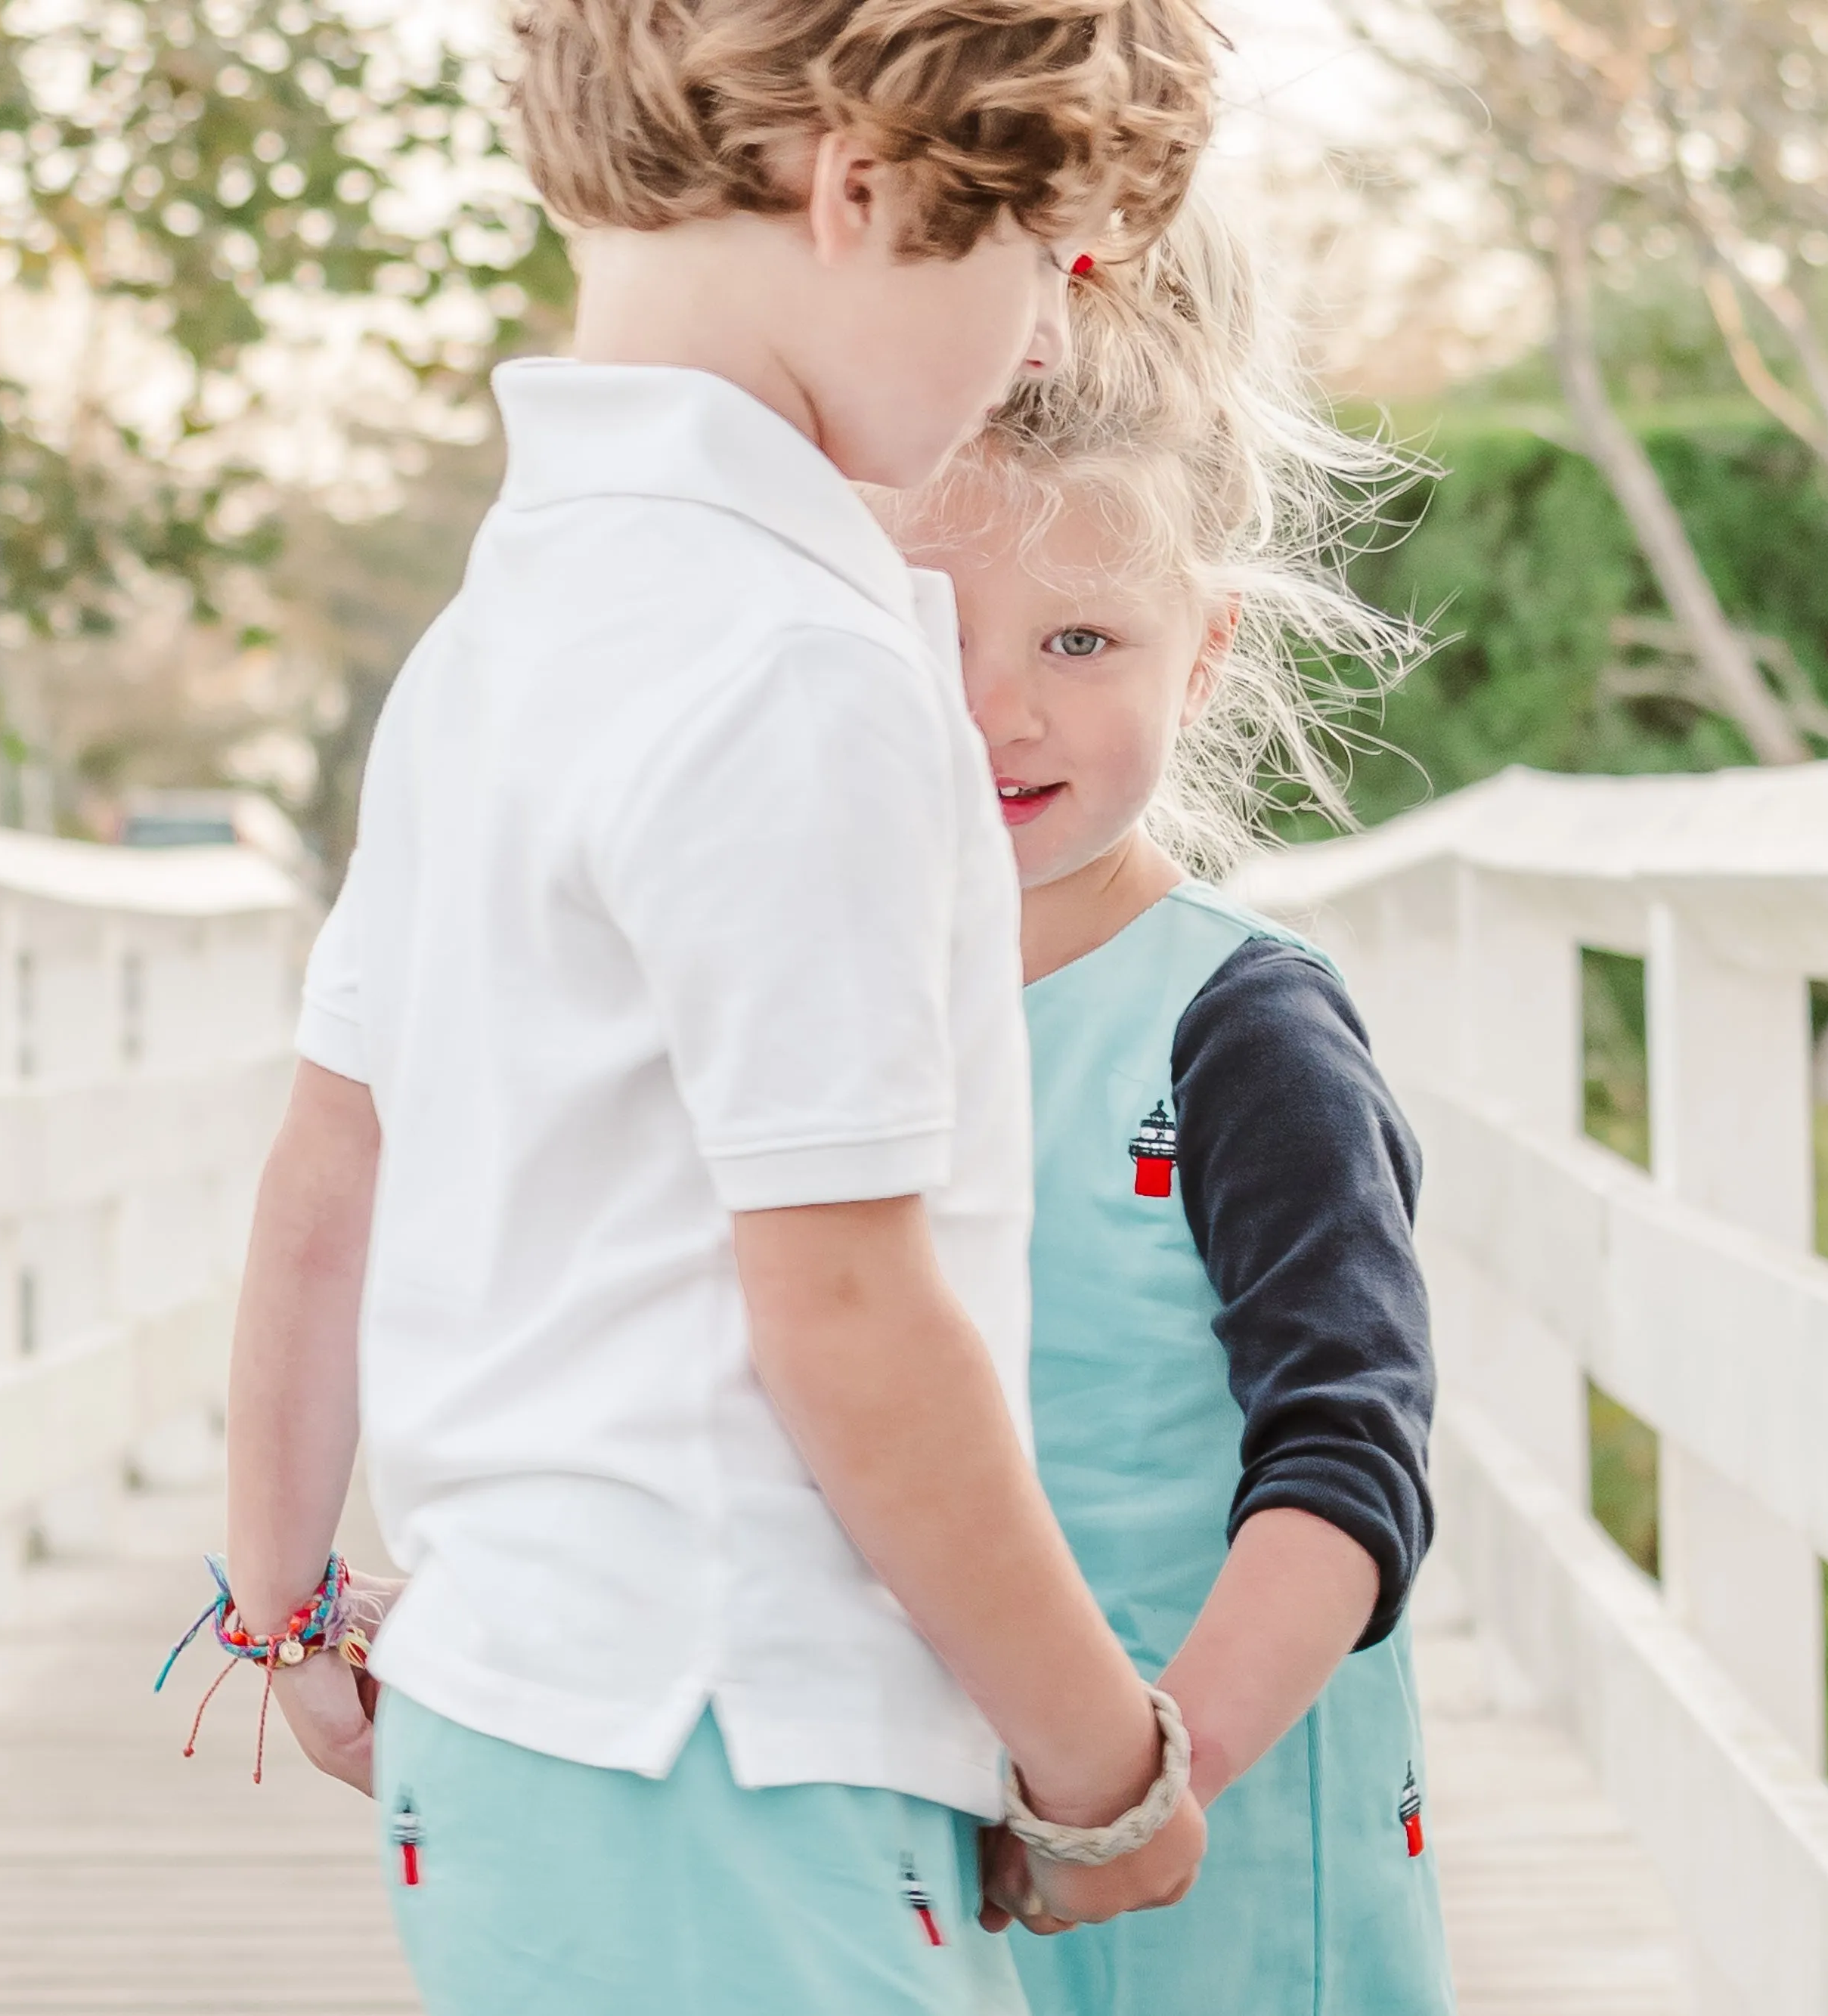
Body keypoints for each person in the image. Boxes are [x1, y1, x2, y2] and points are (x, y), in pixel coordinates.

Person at [217, 0, 1222, 2010]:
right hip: (729, 1741)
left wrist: (283, 1599)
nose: (1039, 341)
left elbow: (335, 1169)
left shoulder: (499, 636)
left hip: (510, 1724)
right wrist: (1103, 1757)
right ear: (865, 189)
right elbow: (846, 1317)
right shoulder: (798, 669)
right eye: (1039, 261)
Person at [881, 190, 1458, 2015]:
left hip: (1205, 1855)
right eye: (936, 641)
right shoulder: (827, 1009)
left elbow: (1348, 1460)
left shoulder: (1241, 1029)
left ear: (1196, 652)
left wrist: (1141, 1789)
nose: (1000, 717)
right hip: (909, 1836)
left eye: (1078, 645)